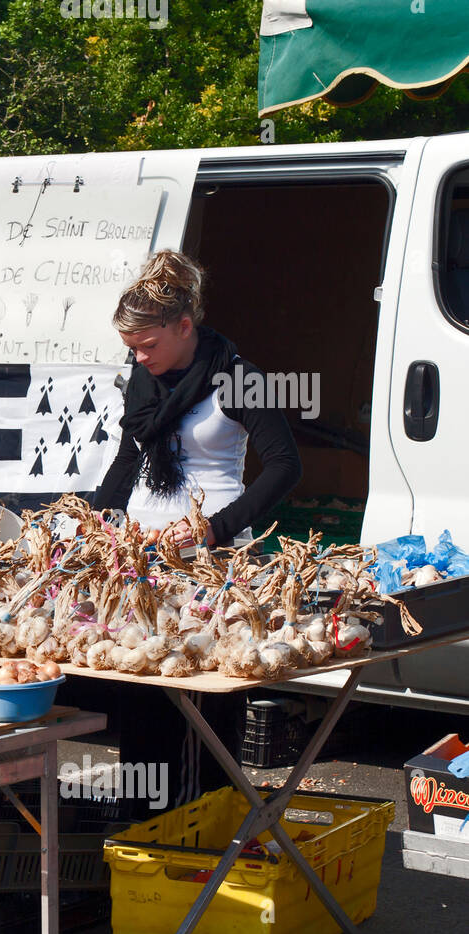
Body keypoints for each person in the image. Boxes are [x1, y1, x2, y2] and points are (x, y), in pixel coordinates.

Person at [92, 251, 302, 809]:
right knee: (141, 690)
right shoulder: (144, 379)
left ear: (185, 327)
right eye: (131, 348)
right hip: (143, 558)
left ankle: (205, 825)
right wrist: (95, 520)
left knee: (199, 697)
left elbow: (285, 465)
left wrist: (216, 529)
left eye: (147, 345)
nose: (138, 357)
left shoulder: (242, 378)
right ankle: (146, 827)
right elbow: (126, 459)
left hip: (212, 562)